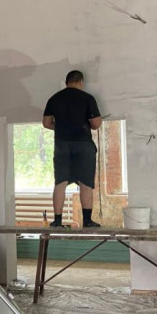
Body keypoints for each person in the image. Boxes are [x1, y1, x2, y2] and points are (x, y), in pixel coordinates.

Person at [43, 70, 103, 228]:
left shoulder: (54, 98)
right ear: (81, 82)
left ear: (66, 82)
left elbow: (46, 123)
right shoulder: (87, 98)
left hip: (62, 144)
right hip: (83, 145)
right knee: (85, 183)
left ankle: (57, 221)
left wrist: (61, 127)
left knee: (60, 182)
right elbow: (96, 124)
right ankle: (87, 221)